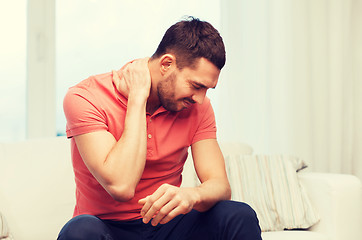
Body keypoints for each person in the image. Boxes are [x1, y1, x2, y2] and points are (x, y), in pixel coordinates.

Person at [58, 16, 262, 240]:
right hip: (107, 228)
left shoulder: (197, 107)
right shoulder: (85, 97)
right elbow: (121, 186)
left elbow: (220, 186)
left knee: (239, 215)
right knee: (79, 231)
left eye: (207, 89)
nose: (201, 99)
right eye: (196, 85)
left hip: (167, 225)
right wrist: (138, 98)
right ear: (166, 64)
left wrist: (192, 195)